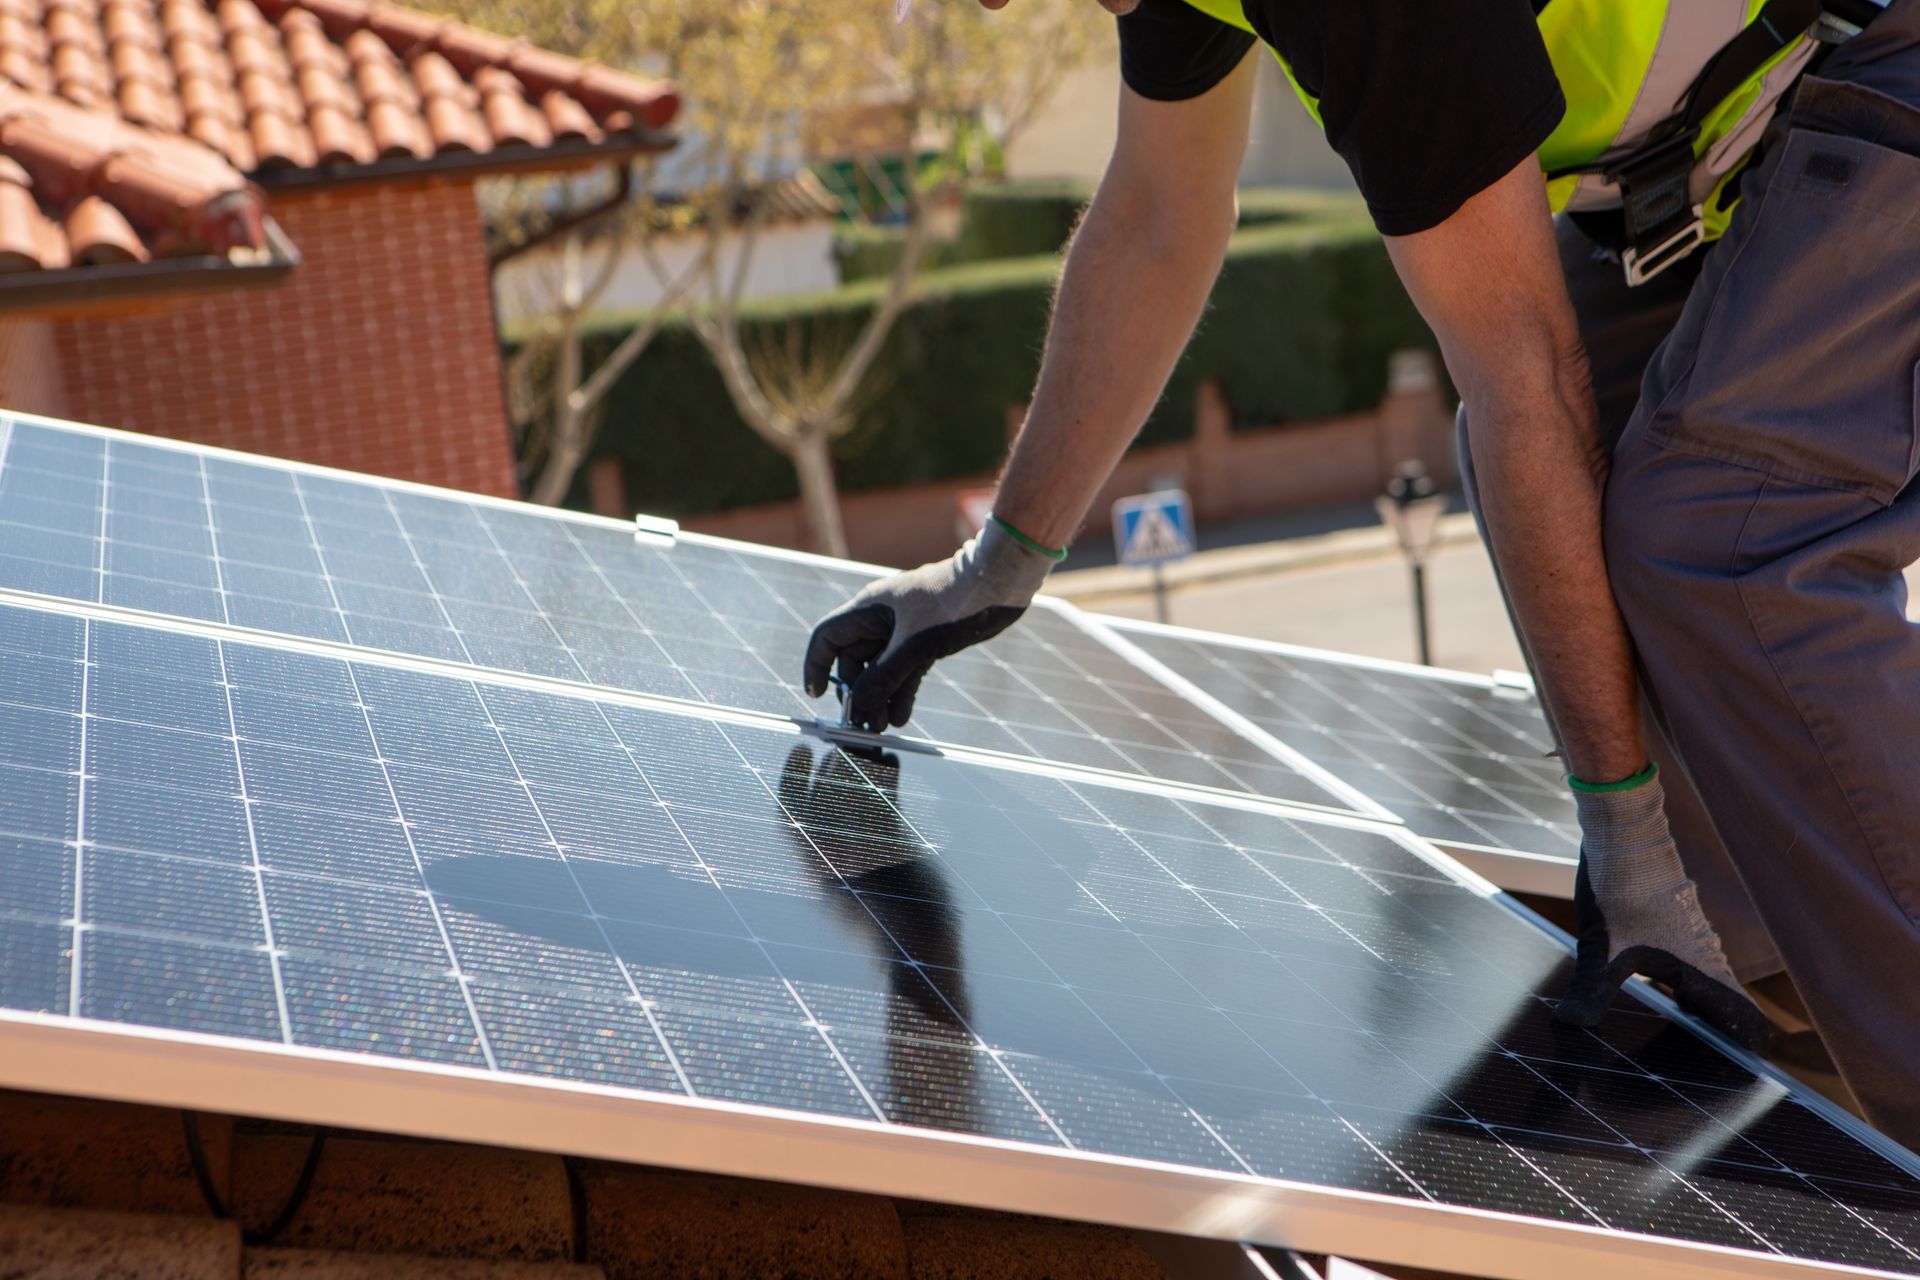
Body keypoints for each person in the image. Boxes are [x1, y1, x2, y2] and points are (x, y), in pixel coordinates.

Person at [802, 0, 1920, 1148]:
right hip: (1699, 169)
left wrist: (1628, 851)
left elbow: (1518, 368)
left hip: (1873, 58)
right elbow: (1156, 216)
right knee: (1560, 530)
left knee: (1713, 537)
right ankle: (1804, 1057)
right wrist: (997, 563)